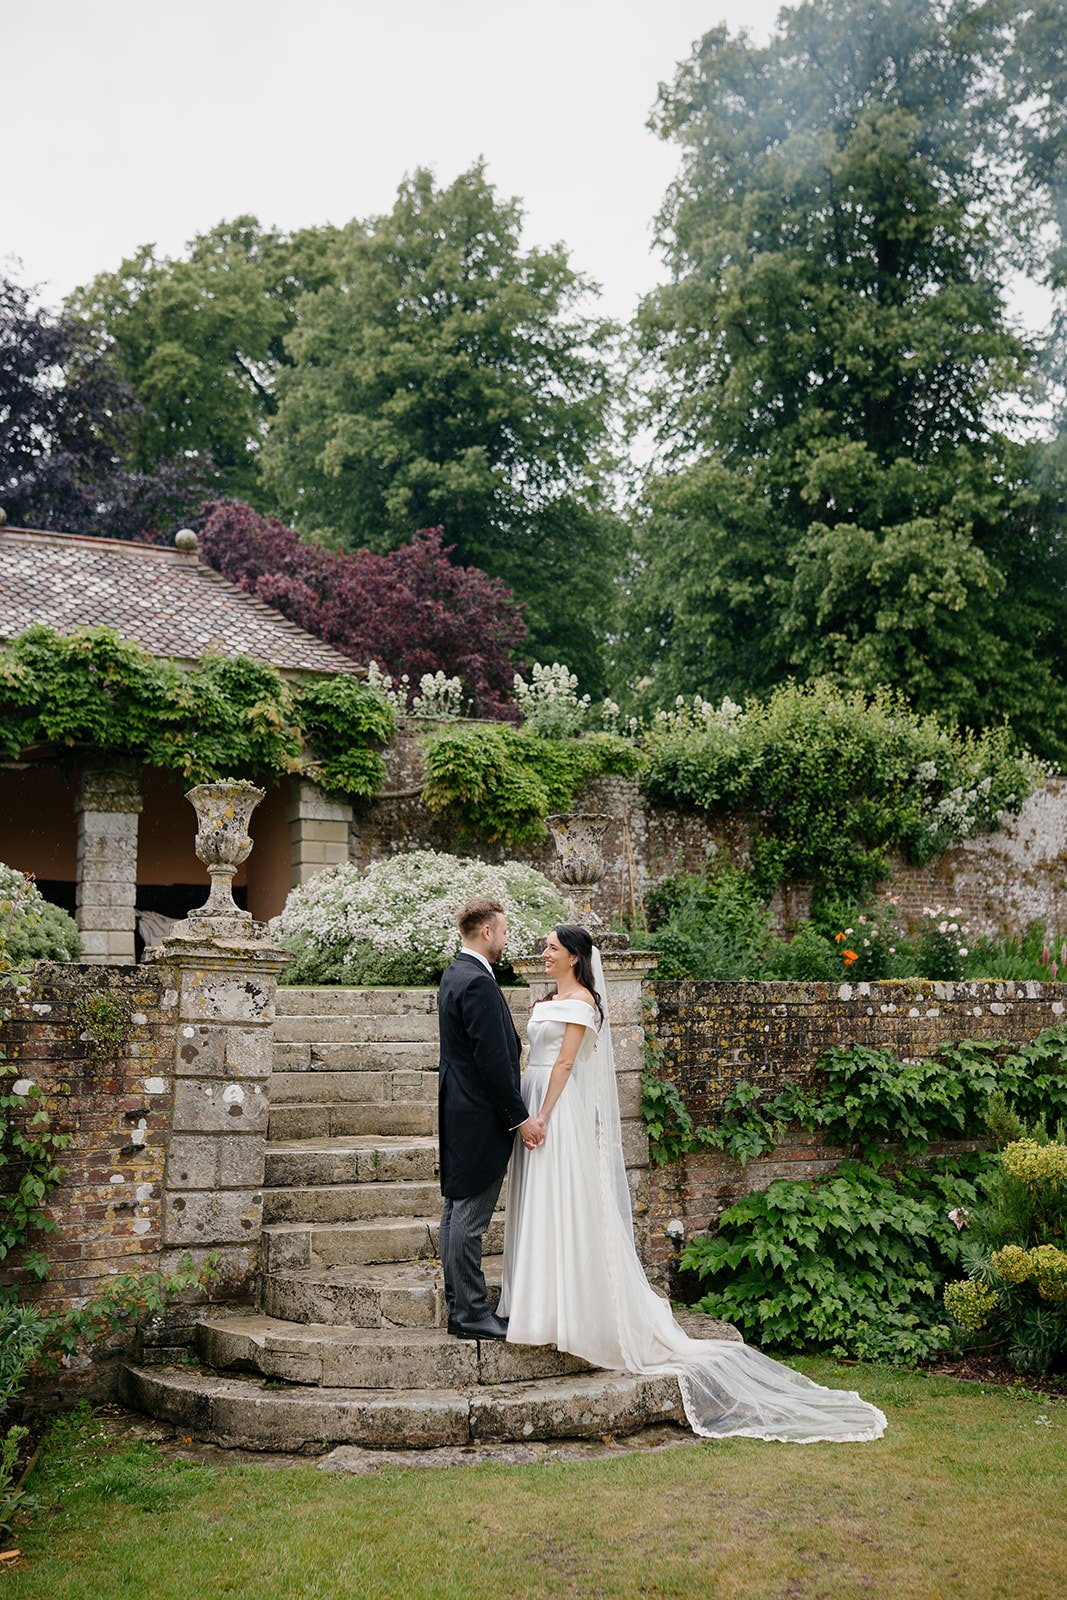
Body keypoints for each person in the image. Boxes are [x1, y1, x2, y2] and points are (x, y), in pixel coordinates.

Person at [499, 924, 887, 1444]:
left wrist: (542, 1115)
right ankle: (540, 1302)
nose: (542, 953)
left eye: (551, 947)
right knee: (540, 1204)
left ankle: (568, 1309)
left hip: (556, 1109)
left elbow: (566, 1063)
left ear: (573, 956)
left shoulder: (584, 1002)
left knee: (564, 1202)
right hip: (532, 1097)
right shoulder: (549, 998)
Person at [437, 897, 543, 1340]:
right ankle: (472, 1312)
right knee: (470, 1216)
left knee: (456, 1210)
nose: (505, 939)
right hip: (479, 1116)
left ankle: (460, 1306)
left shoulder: (455, 973)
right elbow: (494, 1061)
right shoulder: (477, 982)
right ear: (486, 932)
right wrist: (520, 1119)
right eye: (502, 931)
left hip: (459, 1108)